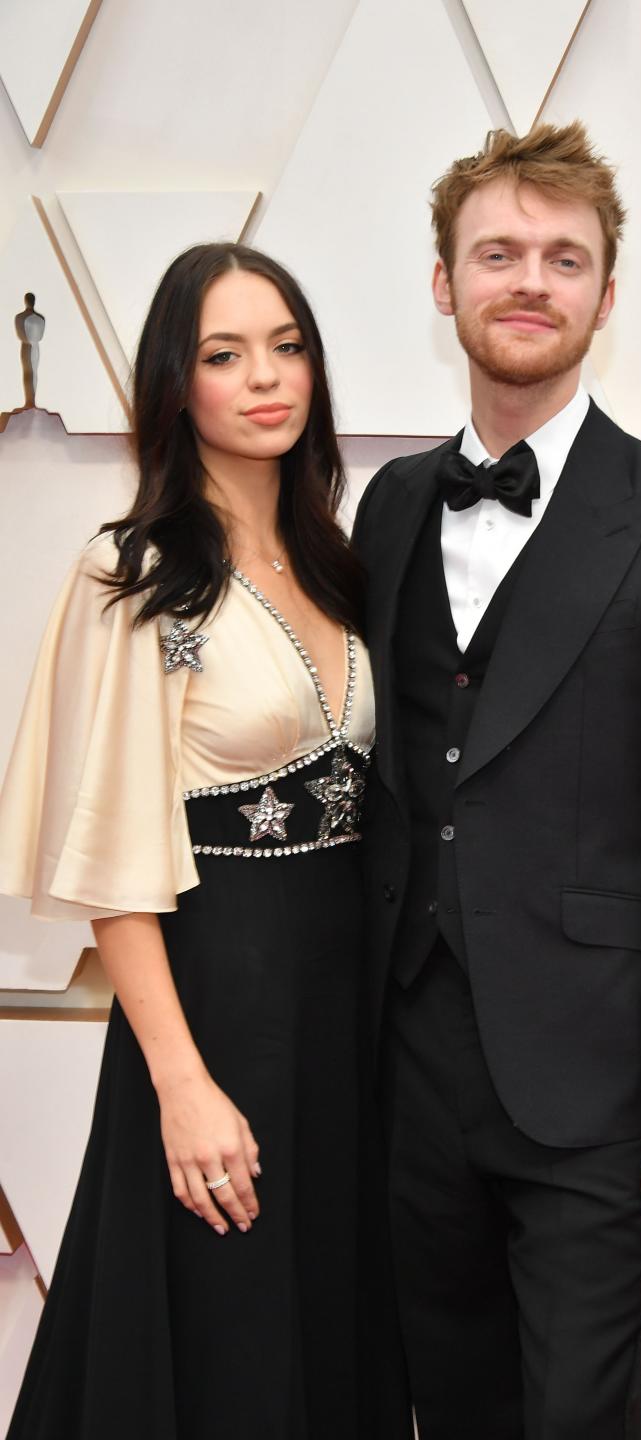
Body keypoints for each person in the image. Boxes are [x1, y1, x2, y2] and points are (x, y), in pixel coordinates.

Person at [351, 122, 641, 1438]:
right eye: (498, 253)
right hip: (409, 1067)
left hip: (596, 1088)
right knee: (452, 1411)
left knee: (578, 1420)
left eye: (563, 258)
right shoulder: (391, 504)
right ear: (444, 284)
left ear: (604, 289)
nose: (529, 280)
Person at [0, 244, 409, 1439]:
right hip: (213, 1011)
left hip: (351, 1018)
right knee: (220, 1345)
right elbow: (113, 860)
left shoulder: (343, 565)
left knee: (335, 1331)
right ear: (177, 386)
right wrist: (183, 1087)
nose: (265, 377)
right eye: (224, 355)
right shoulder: (132, 575)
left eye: (287, 346)